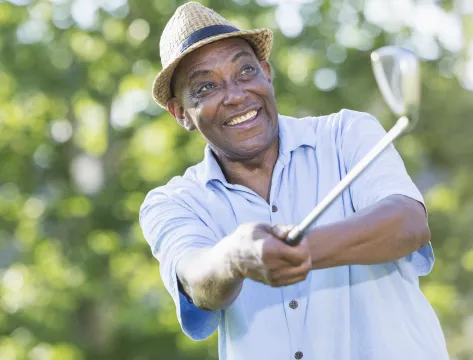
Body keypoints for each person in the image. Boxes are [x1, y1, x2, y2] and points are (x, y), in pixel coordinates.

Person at [139, 2, 449, 359]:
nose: (237, 95)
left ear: (266, 73)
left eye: (245, 72)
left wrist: (300, 250)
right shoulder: (173, 202)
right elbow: (195, 278)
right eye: (206, 87)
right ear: (181, 113)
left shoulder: (346, 133)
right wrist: (236, 257)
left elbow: (408, 223)